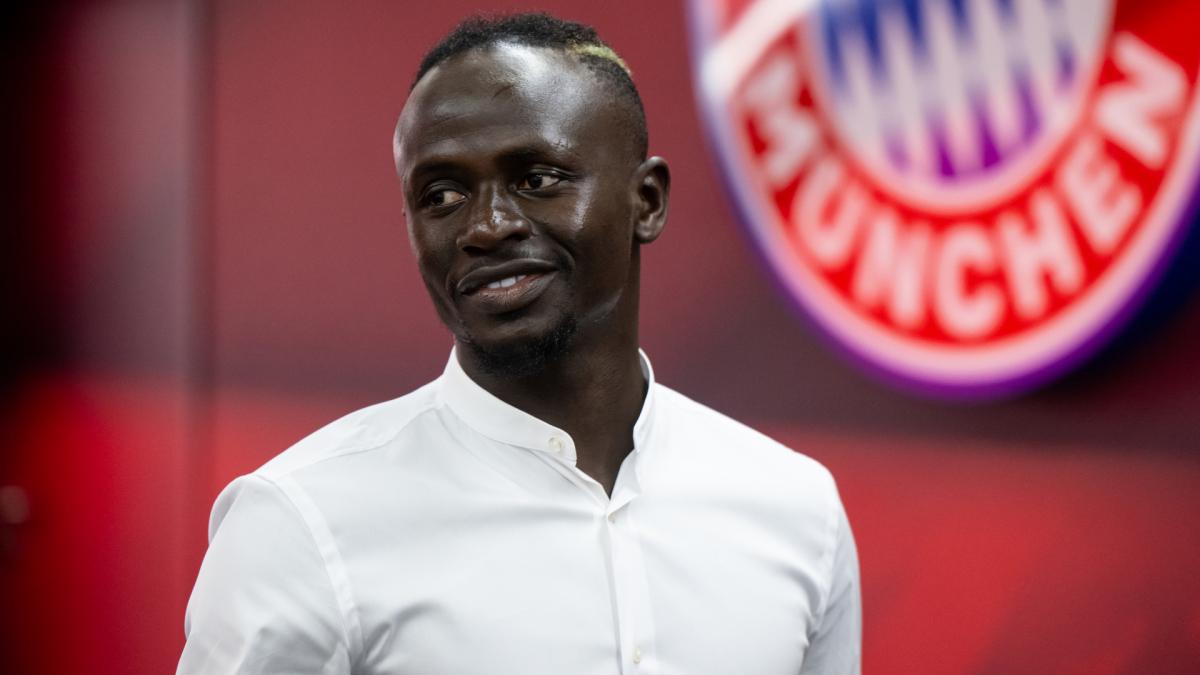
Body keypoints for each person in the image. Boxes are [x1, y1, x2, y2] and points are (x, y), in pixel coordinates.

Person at [178, 12, 860, 675]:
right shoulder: (302, 522)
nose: (488, 225)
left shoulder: (795, 509)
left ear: (646, 201)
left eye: (536, 180)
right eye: (441, 194)